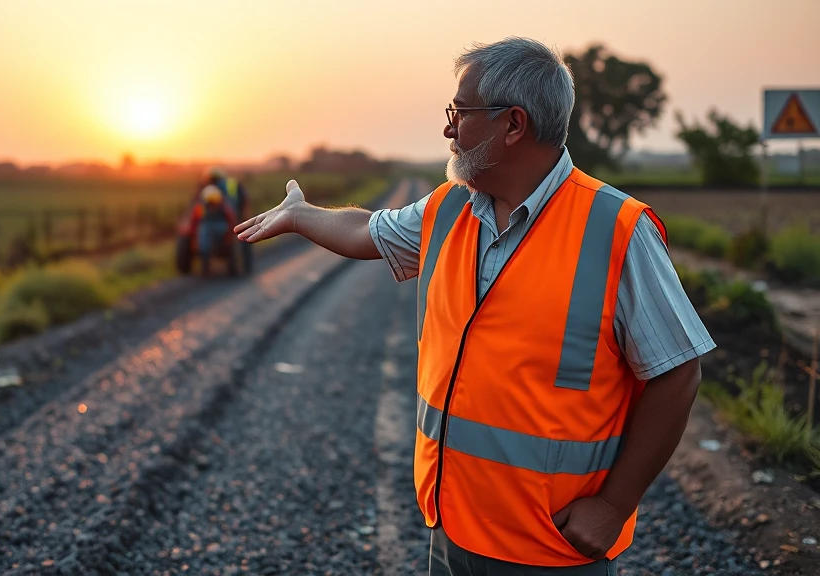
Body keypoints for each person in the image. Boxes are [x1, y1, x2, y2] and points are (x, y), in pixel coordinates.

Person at [235, 37, 715, 576]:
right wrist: (300, 215)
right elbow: (366, 231)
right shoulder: (451, 208)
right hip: (453, 530)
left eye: (460, 113)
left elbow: (678, 372)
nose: (447, 128)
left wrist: (611, 508)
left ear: (513, 125)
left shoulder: (615, 229)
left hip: (550, 550)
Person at [192, 184, 235, 276]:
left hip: (220, 227)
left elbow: (231, 220)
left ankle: (232, 266)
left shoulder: (224, 208)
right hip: (207, 227)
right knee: (204, 236)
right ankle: (205, 267)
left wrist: (230, 236)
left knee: (221, 230)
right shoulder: (200, 209)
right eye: (210, 202)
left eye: (214, 202)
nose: (212, 205)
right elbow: (195, 222)